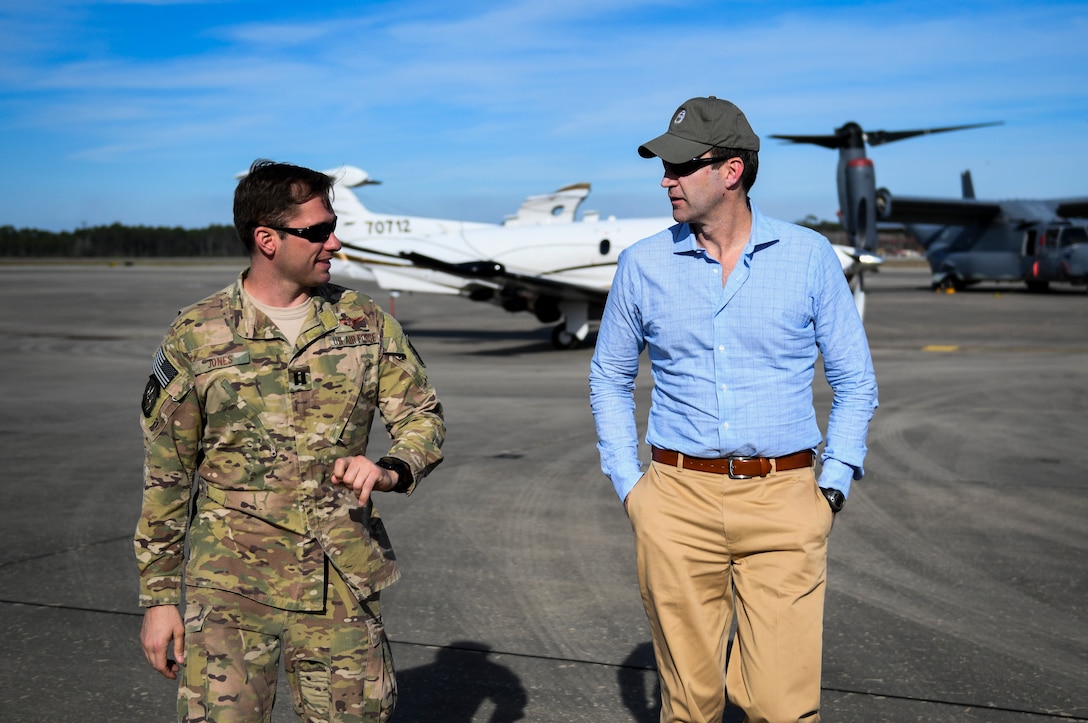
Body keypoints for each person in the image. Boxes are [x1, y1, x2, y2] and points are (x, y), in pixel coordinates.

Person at [589, 97, 878, 723]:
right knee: (690, 707)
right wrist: (632, 487)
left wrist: (830, 487)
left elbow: (856, 381)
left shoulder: (807, 257)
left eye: (681, 166)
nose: (666, 179)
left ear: (731, 171)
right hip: (675, 501)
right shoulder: (643, 265)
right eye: (664, 167)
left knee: (781, 707)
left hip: (785, 501)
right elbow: (609, 376)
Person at [135, 159, 445, 722]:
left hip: (340, 583)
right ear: (267, 239)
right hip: (229, 591)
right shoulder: (198, 334)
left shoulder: (363, 323)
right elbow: (167, 476)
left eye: (332, 227)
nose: (335, 243)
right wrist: (159, 600)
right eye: (319, 231)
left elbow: (422, 415)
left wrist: (391, 468)